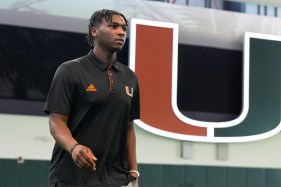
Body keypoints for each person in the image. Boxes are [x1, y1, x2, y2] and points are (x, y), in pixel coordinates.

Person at [44, 9, 140, 187]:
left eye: (124, 28)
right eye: (113, 26)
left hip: (116, 179)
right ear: (94, 31)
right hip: (72, 178)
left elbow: (128, 129)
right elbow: (56, 122)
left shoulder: (130, 77)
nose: (121, 32)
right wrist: (74, 147)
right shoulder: (69, 70)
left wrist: (133, 172)